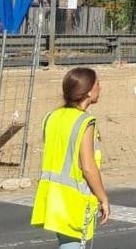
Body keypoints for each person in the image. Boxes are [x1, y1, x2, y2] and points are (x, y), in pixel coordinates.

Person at [31, 67, 110, 248]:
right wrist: (103, 198)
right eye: (98, 83)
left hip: (51, 196)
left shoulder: (52, 117)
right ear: (88, 90)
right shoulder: (84, 122)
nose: (101, 87)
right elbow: (88, 167)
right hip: (72, 200)